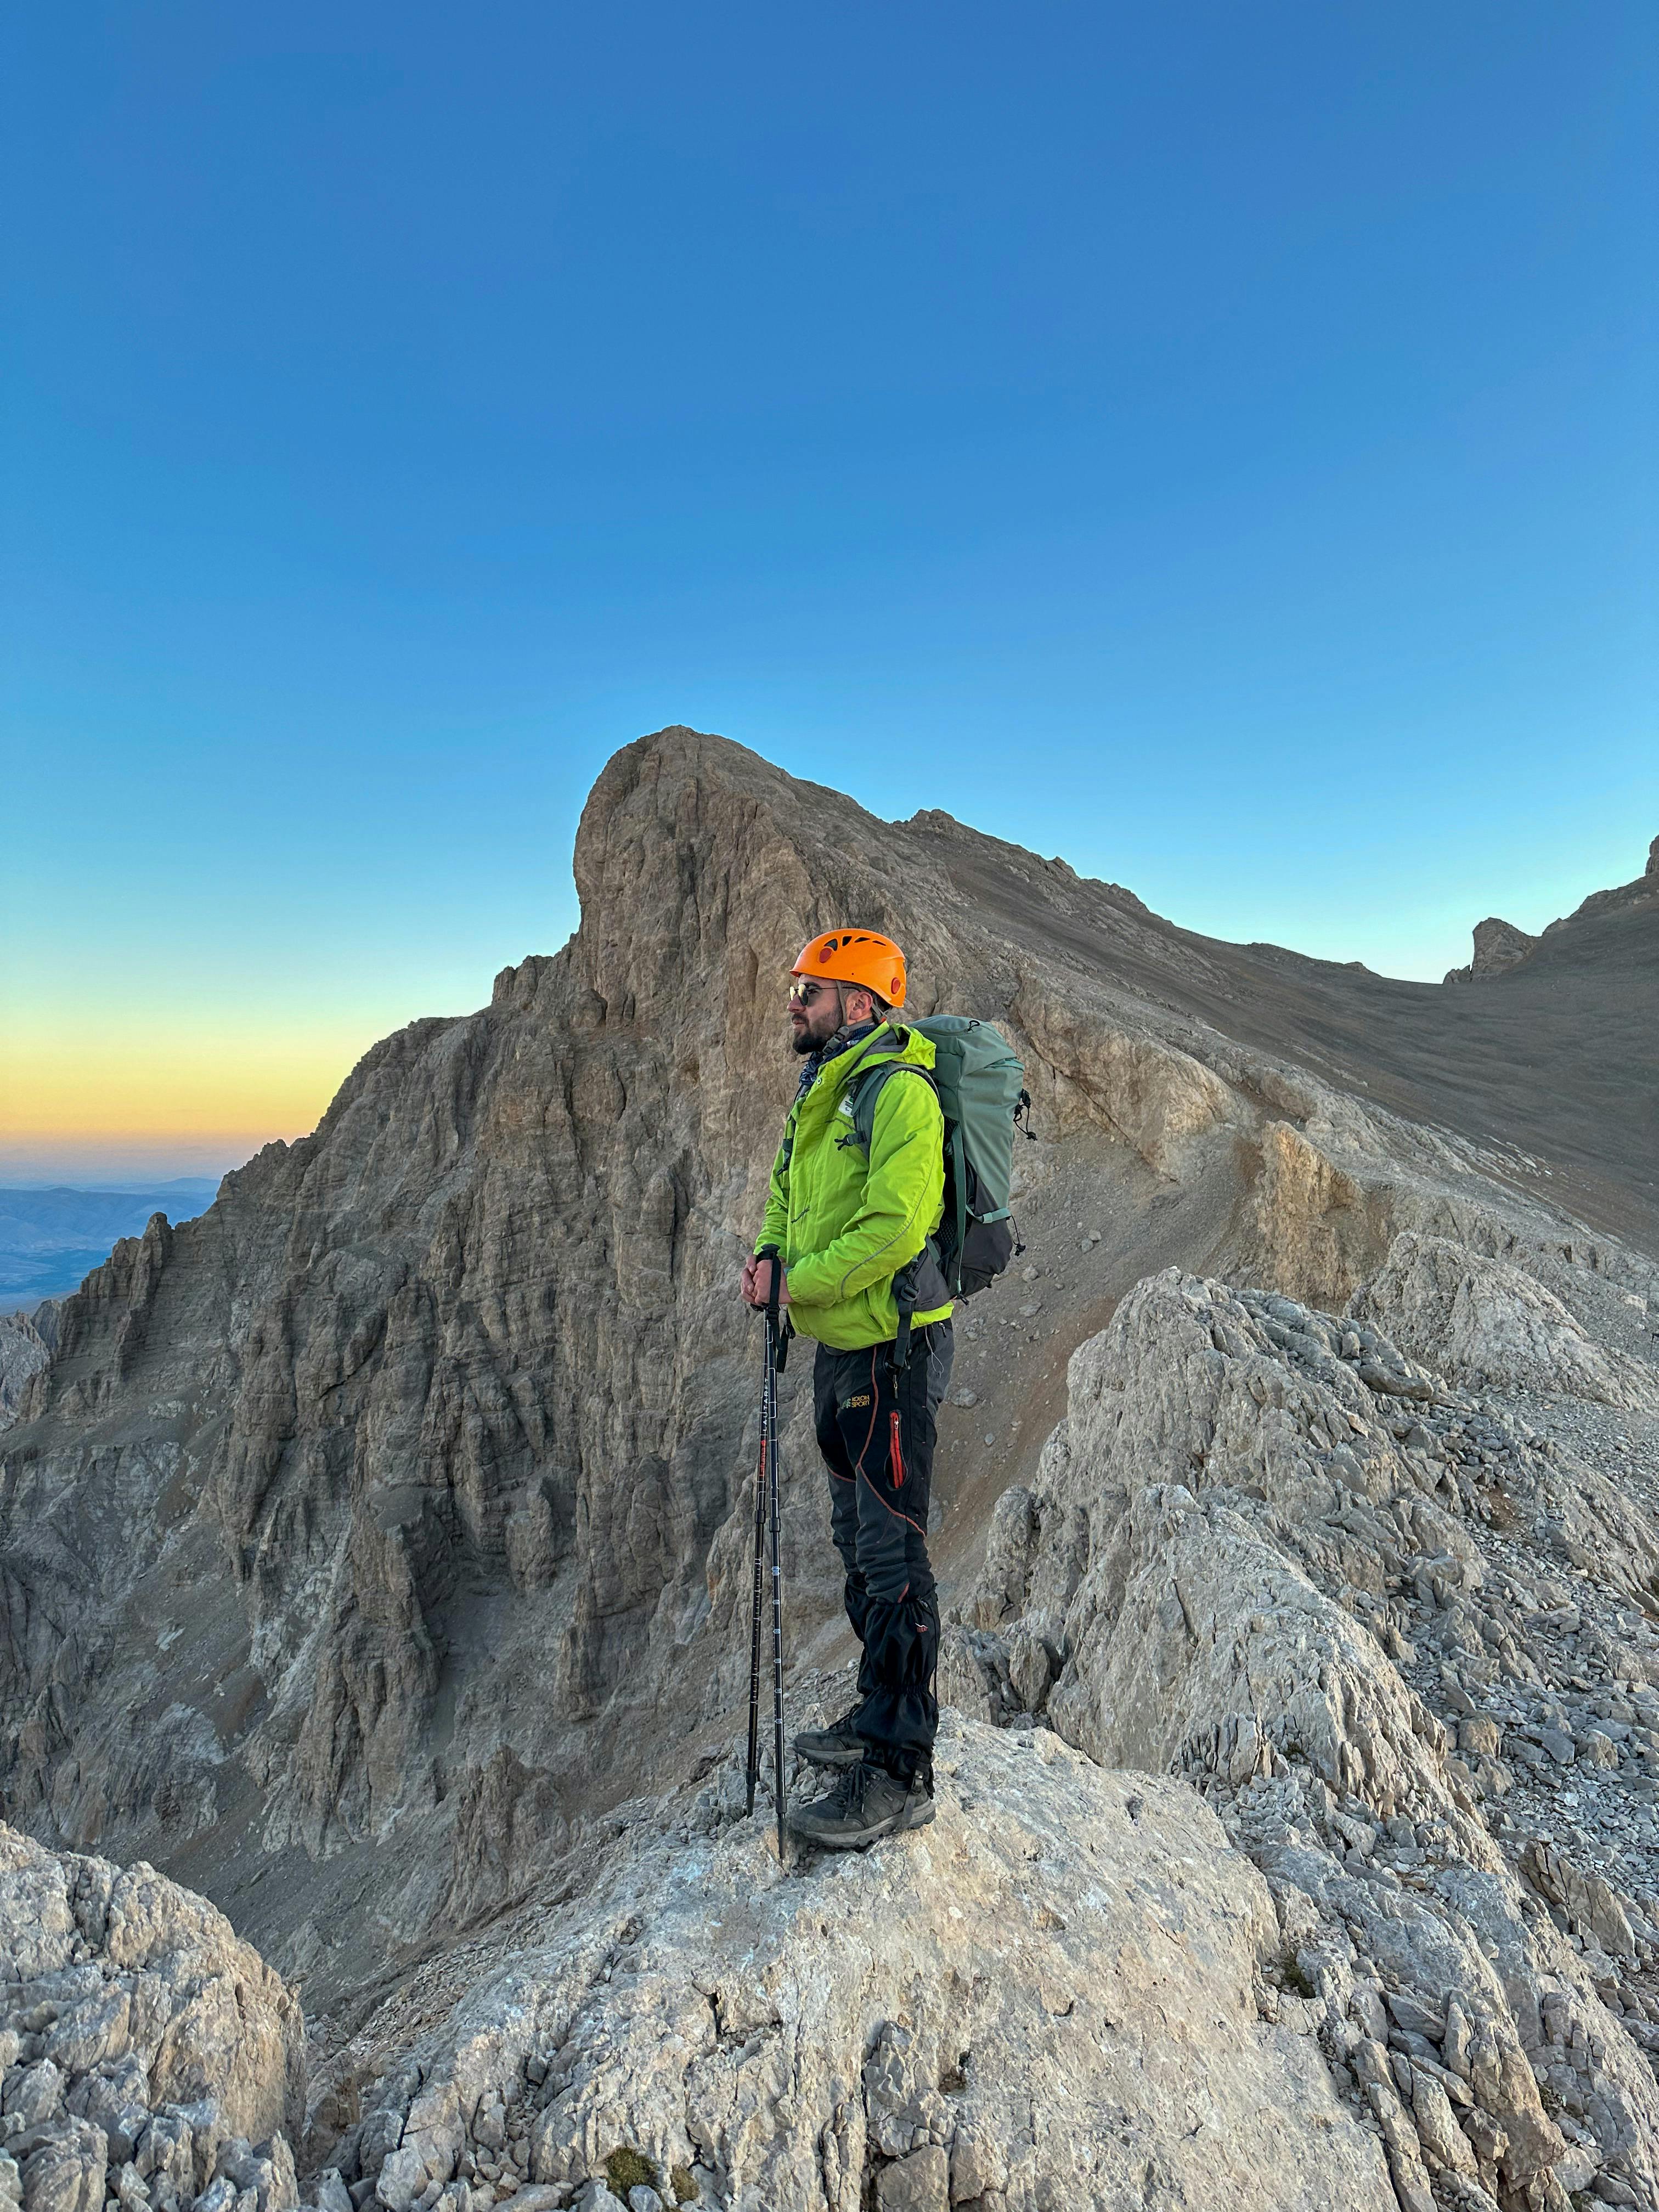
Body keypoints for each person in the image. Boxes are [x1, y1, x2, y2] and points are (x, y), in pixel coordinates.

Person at [741, 928, 955, 1848]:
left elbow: (896, 1227)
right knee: (858, 1547)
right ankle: (875, 1721)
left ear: (862, 1003)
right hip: (839, 1351)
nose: (796, 1000)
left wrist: (799, 1284)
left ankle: (903, 1770)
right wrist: (769, 1252)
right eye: (798, 986)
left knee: (893, 1554)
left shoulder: (898, 1092)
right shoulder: (821, 1092)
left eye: (812, 989)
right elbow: (789, 1194)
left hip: (893, 1357)